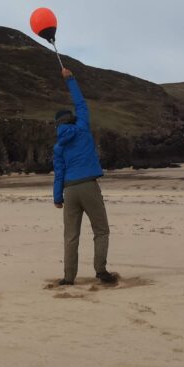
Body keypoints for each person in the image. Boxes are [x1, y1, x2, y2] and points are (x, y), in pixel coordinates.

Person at [52, 67, 117, 286]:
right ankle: (101, 271)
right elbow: (81, 104)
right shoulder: (81, 127)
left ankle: (68, 277)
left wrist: (57, 198)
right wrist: (70, 79)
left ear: (58, 125)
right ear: (71, 119)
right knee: (101, 230)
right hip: (88, 185)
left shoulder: (58, 147)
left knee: (71, 236)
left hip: (69, 190)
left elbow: (59, 173)